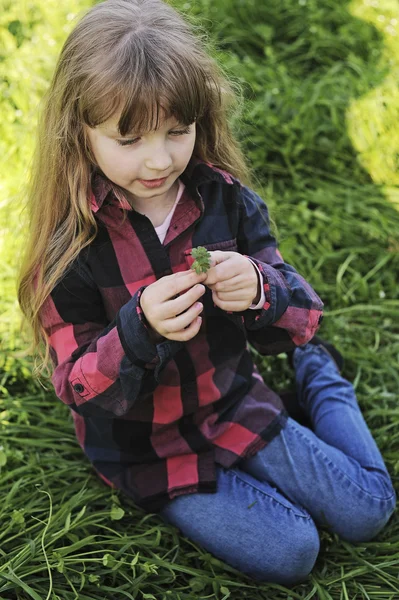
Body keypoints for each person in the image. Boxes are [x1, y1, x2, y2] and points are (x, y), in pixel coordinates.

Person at [17, 0, 396, 586]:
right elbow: (76, 385)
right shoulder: (72, 248)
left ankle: (319, 376)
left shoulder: (225, 201)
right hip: (146, 448)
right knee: (293, 551)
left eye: (178, 132)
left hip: (232, 401)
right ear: (79, 132)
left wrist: (260, 291)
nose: (160, 158)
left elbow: (298, 315)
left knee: (368, 511)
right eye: (130, 137)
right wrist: (137, 331)